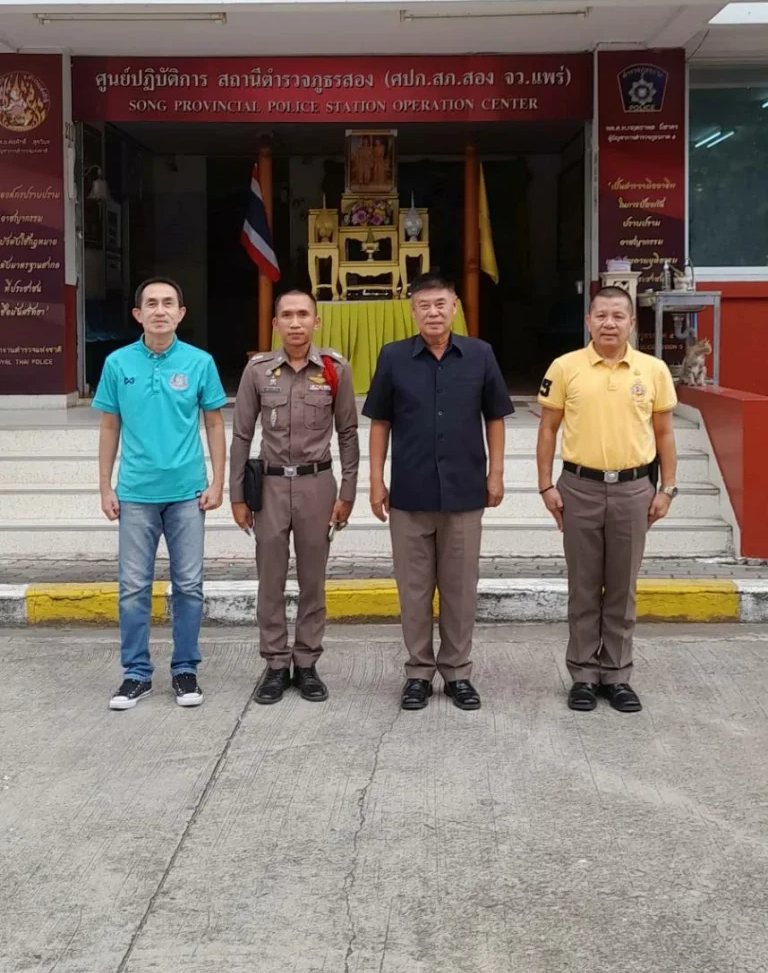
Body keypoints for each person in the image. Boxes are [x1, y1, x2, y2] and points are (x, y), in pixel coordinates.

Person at [364, 271, 513, 711]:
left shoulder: (480, 354)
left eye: (440, 304)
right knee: (413, 591)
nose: (433, 312)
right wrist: (376, 479)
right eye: (424, 305)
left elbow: (495, 417)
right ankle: (417, 673)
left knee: (460, 589)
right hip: (410, 494)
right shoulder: (394, 357)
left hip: (465, 493)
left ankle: (457, 672)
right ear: (413, 311)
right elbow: (380, 422)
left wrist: (496, 473)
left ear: (454, 307)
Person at [536, 285, 678, 714]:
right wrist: (545, 486)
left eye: (618, 316)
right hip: (579, 488)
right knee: (582, 587)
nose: (609, 323)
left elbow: (664, 434)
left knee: (622, 588)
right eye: (601, 315)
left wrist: (667, 488)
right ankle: (583, 674)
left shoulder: (653, 370)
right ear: (588, 321)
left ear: (632, 322)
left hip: (634, 490)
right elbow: (548, 429)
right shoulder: (566, 367)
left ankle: (616, 676)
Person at [93, 277, 227, 711]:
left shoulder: (200, 362)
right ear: (138, 314)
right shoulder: (117, 364)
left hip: (187, 493)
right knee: (133, 587)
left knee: (189, 586)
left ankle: (185, 670)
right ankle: (136, 674)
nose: (160, 310)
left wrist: (218, 481)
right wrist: (105, 486)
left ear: (181, 313)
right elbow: (110, 426)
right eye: (151, 304)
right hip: (135, 493)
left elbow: (214, 422)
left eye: (169, 303)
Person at [230, 287, 359, 704]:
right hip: (268, 486)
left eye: (303, 314)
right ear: (275, 324)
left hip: (317, 484)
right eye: (287, 315)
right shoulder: (257, 371)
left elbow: (348, 433)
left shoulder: (335, 369)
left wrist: (349, 491)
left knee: (312, 581)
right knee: (270, 580)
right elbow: (242, 434)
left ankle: (306, 663)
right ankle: (274, 664)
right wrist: (237, 495)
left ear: (316, 321)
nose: (296, 322)